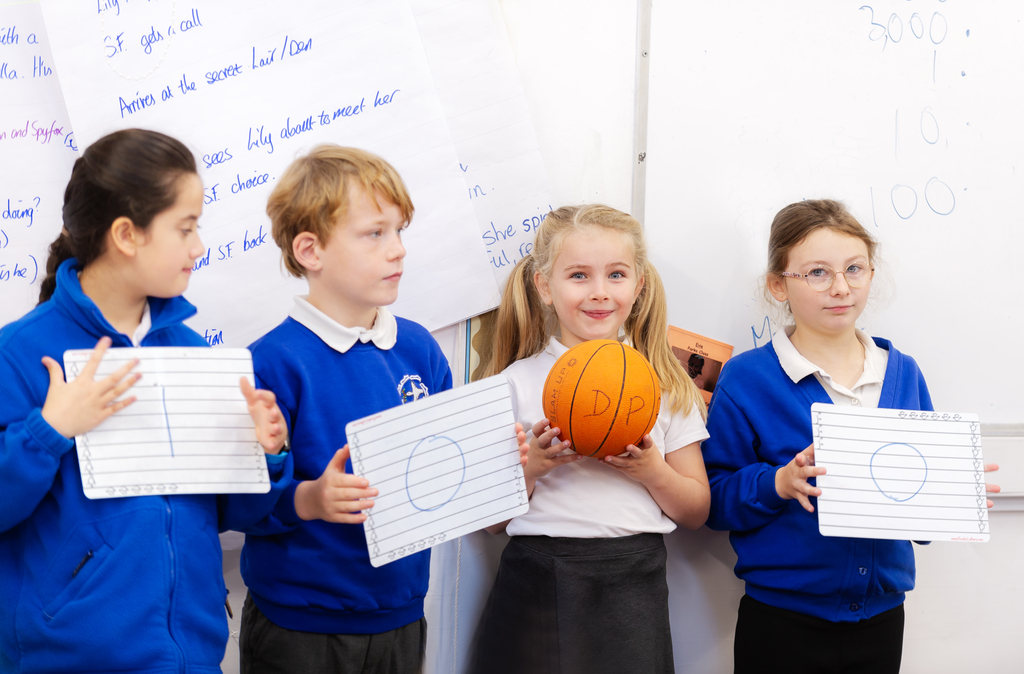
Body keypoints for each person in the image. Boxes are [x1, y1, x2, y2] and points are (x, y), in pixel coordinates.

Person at [0, 128, 292, 673]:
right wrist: (49, 430)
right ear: (126, 235)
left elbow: (231, 514)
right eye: (185, 228)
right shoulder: (19, 353)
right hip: (67, 661)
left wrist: (264, 456)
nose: (198, 247)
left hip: (194, 657)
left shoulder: (192, 351)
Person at [238, 145, 529, 674]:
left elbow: (444, 476)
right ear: (310, 250)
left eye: (399, 231)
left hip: (401, 616)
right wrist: (309, 498)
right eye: (375, 233)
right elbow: (235, 507)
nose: (397, 250)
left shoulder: (418, 349)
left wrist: (501, 466)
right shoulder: (272, 362)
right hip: (300, 628)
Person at [701, 199, 1000, 674]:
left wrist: (949, 497)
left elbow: (918, 521)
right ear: (778, 285)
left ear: (871, 273)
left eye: (854, 269)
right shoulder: (746, 378)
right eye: (817, 273)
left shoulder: (904, 373)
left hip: (882, 619)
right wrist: (778, 483)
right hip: (780, 620)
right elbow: (713, 501)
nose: (840, 287)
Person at [469, 204, 711, 674]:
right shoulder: (512, 383)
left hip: (633, 584)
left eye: (616, 275)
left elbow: (697, 511)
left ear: (639, 285)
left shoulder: (666, 384)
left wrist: (652, 472)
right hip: (535, 580)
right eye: (578, 275)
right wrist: (532, 468)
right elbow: (490, 523)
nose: (599, 292)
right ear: (544, 286)